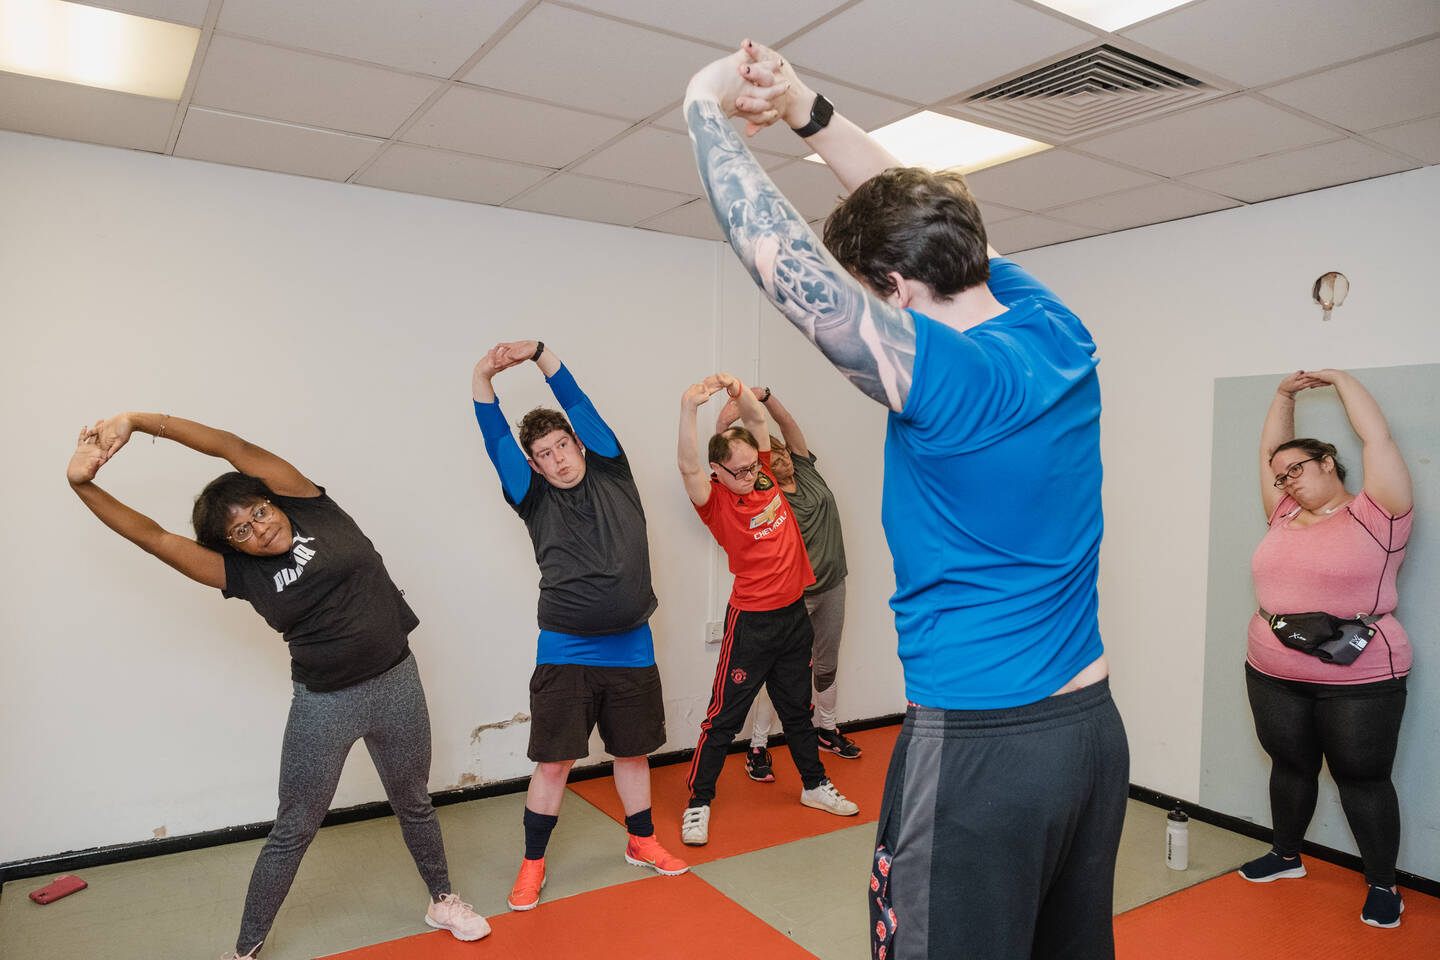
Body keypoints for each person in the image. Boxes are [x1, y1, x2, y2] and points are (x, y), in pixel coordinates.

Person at [683, 40, 1128, 959]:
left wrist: (703, 108)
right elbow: (936, 215)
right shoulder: (1054, 331)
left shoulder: (949, 379)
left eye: (872, 292)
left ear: (891, 290)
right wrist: (807, 111)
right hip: (1087, 735)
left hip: (978, 745)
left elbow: (784, 267)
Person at [65, 414, 490, 959]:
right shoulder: (240, 574)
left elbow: (229, 445)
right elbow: (152, 537)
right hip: (325, 705)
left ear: (275, 501)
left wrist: (138, 421)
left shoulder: (311, 503)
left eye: (259, 512)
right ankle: (244, 949)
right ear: (233, 547)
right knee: (294, 827)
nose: (259, 528)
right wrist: (83, 484)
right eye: (241, 530)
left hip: (397, 681)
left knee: (413, 802)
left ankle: (442, 900)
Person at [471, 340, 688, 911]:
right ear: (535, 464)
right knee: (555, 761)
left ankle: (641, 843)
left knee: (633, 753)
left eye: (563, 444)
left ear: (578, 444)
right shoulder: (531, 496)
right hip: (565, 648)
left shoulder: (612, 469)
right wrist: (482, 375)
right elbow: (494, 436)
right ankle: (532, 865)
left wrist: (540, 353)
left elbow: (575, 396)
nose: (559, 458)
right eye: (544, 453)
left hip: (631, 646)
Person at [1241, 369, 1413, 928]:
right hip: (1271, 667)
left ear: (1329, 464)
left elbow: (1378, 439)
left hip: (1359, 676)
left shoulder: (1378, 513)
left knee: (1362, 776)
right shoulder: (1283, 514)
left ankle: (1384, 884)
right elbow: (1270, 450)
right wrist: (1282, 394)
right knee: (1289, 764)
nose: (1286, 480)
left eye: (1298, 469)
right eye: (1279, 475)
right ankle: (1287, 855)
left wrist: (1338, 379)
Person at [676, 374, 860, 845]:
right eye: (734, 471)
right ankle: (698, 802)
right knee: (724, 718)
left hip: (793, 617)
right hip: (751, 624)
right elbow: (687, 467)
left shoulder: (764, 478)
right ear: (717, 471)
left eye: (749, 467)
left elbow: (758, 420)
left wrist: (740, 391)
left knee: (797, 711)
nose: (747, 476)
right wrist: (688, 409)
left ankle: (814, 786)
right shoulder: (715, 502)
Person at [713, 387, 861, 782]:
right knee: (778, 677)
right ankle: (759, 745)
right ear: (761, 468)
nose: (784, 460)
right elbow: (724, 459)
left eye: (784, 454)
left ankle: (827, 730)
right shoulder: (764, 498)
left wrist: (764, 397)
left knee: (826, 665)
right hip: (792, 596)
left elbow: (788, 426)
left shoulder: (806, 471)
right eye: (773, 457)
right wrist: (726, 420)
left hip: (832, 585)